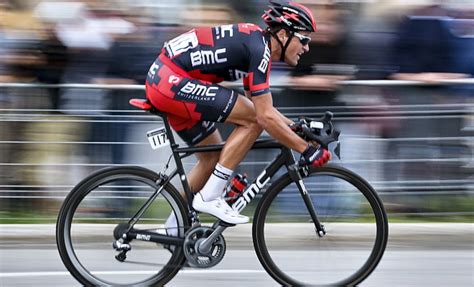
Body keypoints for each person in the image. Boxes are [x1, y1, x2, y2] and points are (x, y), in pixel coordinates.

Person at [145, 0, 331, 228]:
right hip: (170, 80)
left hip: (165, 79)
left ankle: (173, 228)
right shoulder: (259, 51)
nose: (307, 47)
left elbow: (261, 105)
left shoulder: (255, 42)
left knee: (211, 159)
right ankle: (210, 196)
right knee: (253, 121)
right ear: (283, 35)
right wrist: (306, 149)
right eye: (304, 39)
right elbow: (262, 116)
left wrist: (296, 128)